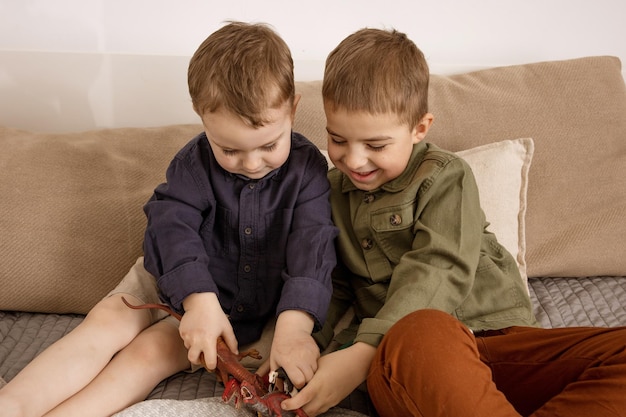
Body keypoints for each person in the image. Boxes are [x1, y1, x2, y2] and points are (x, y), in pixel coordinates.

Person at [282, 28, 626, 417]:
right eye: (337, 139)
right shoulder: (327, 194)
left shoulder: (445, 176)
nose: (355, 160)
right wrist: (302, 345)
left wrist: (363, 352)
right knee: (421, 329)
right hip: (410, 358)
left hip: (502, 344)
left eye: (376, 146)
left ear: (420, 128)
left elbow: (439, 265)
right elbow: (327, 285)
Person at [0, 21, 337, 417]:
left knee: (148, 355)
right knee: (106, 323)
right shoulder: (192, 164)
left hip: (248, 311)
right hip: (171, 279)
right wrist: (199, 300)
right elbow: (169, 226)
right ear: (201, 118)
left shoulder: (309, 169)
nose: (250, 163)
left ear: (293, 109)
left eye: (268, 145)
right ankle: (13, 405)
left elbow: (312, 246)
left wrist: (295, 329)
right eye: (229, 150)